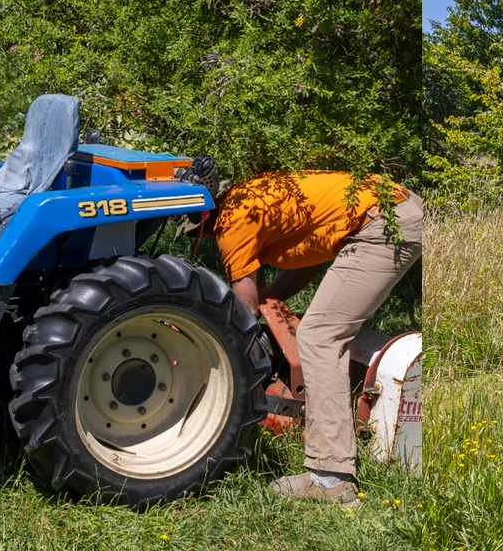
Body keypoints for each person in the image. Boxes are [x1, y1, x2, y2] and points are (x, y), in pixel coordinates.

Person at [181, 161, 422, 502]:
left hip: (385, 221)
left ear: (203, 217)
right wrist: (268, 301)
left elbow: (244, 307)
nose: (201, 238)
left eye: (194, 232)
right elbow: (308, 261)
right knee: (321, 329)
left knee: (320, 335)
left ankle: (331, 478)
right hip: (394, 206)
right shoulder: (252, 196)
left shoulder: (231, 220)